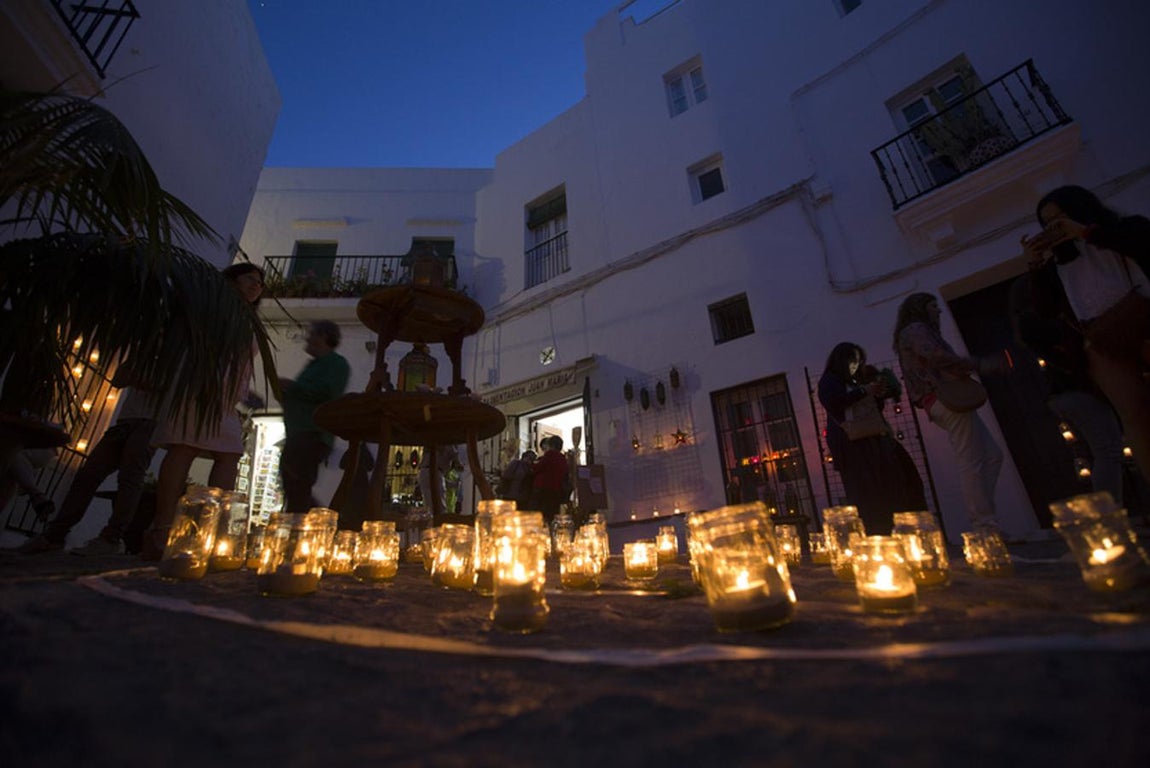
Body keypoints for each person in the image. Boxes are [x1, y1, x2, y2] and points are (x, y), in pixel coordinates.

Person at [1021, 185, 1150, 482]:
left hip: (1141, 318)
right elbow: (1045, 310)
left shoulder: (1124, 230)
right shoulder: (1060, 264)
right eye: (1048, 222)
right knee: (1135, 416)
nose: (1055, 225)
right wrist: (1035, 265)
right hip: (1101, 338)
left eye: (1060, 216)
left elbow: (1140, 245)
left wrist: (1085, 233)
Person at [142, 263, 266, 561]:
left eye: (260, 284)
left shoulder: (247, 320)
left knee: (230, 454)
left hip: (225, 397)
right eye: (250, 279)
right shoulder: (211, 305)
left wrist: (242, 392)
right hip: (198, 385)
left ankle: (207, 529)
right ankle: (162, 528)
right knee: (183, 448)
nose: (255, 286)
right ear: (232, 280)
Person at [1009, 273, 1127, 504]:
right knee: (1108, 450)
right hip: (1075, 390)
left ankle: (1111, 509)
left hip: (1071, 391)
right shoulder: (1039, 323)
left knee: (1107, 449)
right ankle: (1110, 512)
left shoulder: (1032, 323)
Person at [17, 367, 160, 555]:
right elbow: (118, 379)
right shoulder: (144, 351)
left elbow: (164, 386)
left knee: (130, 478)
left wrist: (142, 378)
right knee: (88, 474)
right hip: (125, 421)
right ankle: (55, 535)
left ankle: (111, 538)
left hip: (150, 422)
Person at [894, 292, 1006, 533]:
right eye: (933, 305)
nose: (939, 310)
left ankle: (986, 518)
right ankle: (984, 526)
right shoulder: (916, 330)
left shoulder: (919, 332)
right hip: (943, 398)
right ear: (920, 308)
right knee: (971, 459)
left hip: (946, 399)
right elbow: (934, 356)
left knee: (992, 455)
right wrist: (976, 364)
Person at [818, 342, 927, 534]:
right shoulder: (830, 381)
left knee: (893, 485)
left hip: (874, 440)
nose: (857, 365)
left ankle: (899, 529)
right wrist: (865, 391)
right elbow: (836, 402)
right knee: (867, 493)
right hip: (852, 445)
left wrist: (878, 392)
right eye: (854, 361)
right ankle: (879, 533)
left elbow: (871, 409)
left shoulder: (854, 380)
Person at [278, 320, 351, 514]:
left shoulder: (335, 364)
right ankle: (316, 524)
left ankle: (309, 527)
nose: (308, 338)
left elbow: (326, 392)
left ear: (323, 337)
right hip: (300, 434)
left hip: (311, 435)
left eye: (312, 334)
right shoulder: (315, 365)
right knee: (294, 486)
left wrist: (291, 387)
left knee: (298, 486)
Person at [528, 436, 569, 524]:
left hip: (542, 488)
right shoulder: (563, 458)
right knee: (551, 514)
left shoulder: (550, 454)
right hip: (556, 489)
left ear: (552, 445)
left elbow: (538, 468)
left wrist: (531, 465)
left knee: (537, 513)